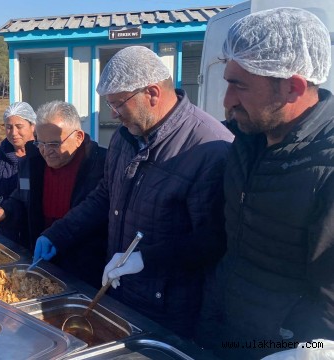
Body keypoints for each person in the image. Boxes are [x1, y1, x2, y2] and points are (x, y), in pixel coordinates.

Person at [33, 46, 233, 337]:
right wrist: (58, 233)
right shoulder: (126, 137)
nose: (113, 114)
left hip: (168, 311)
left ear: (152, 93)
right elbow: (105, 196)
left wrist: (145, 259)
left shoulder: (209, 148)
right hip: (120, 294)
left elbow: (212, 242)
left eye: (118, 104)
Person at [201, 8, 334, 359]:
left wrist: (316, 351)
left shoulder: (327, 166)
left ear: (293, 87)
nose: (226, 101)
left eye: (239, 86)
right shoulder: (246, 139)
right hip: (225, 331)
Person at [0, 101, 107, 287]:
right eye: (40, 142)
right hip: (43, 260)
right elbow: (21, 197)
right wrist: (5, 211)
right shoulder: (32, 163)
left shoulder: (102, 165)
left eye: (54, 143)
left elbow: (99, 214)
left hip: (85, 266)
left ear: (79, 137)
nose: (46, 151)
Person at [0, 101, 36, 240]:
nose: (13, 133)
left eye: (19, 126)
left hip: (34, 235)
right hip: (5, 236)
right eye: (8, 127)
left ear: (32, 126)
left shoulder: (43, 154)